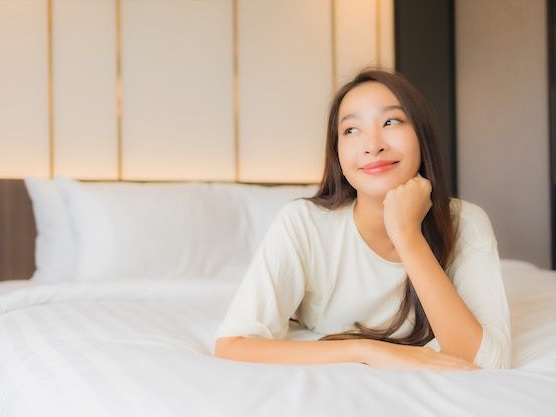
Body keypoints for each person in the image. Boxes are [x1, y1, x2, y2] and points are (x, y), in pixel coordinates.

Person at [213, 68, 511, 371]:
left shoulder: (466, 222)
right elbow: (232, 344)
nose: (373, 145)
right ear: (338, 155)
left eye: (391, 121)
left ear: (422, 136)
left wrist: (408, 236)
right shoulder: (303, 223)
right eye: (352, 130)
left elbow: (486, 362)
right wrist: (367, 351)